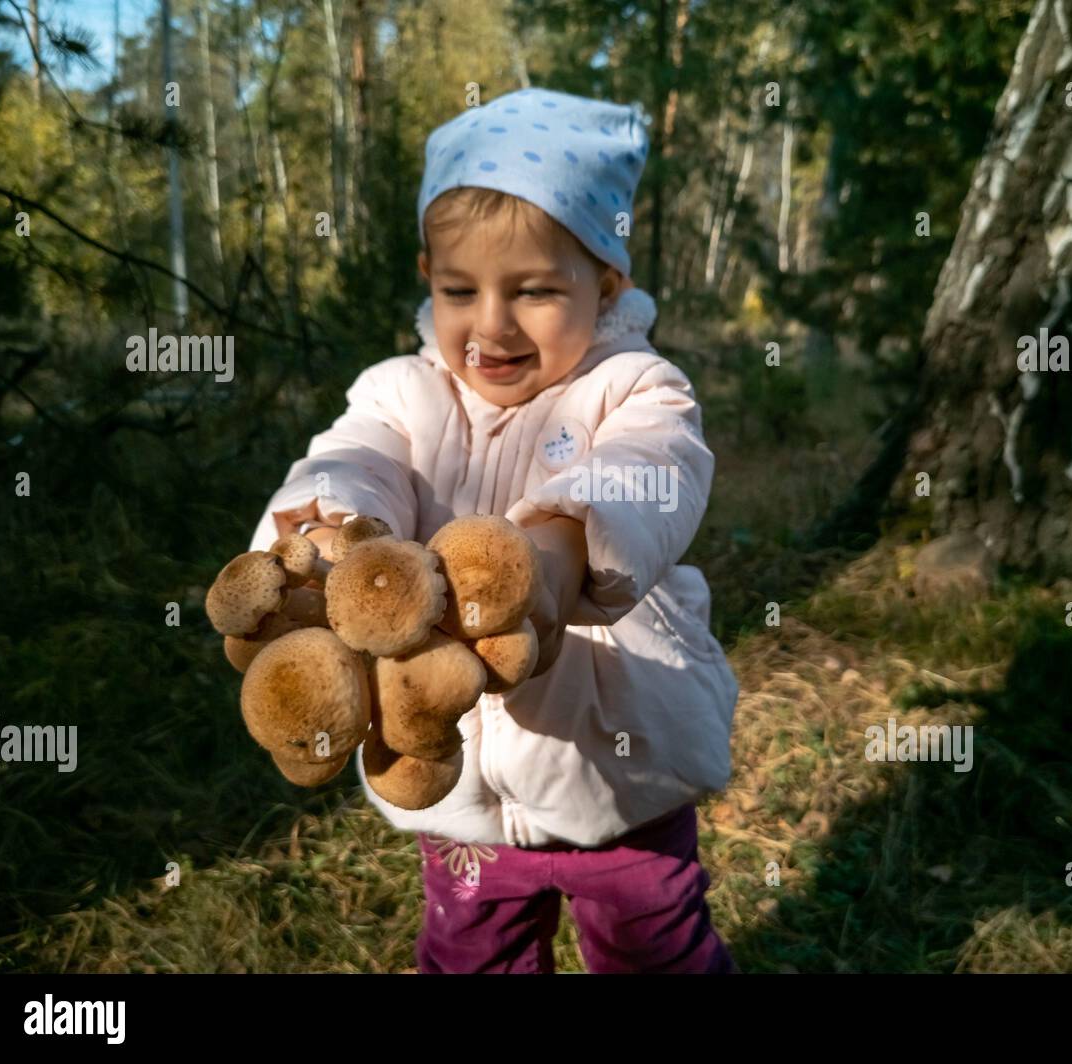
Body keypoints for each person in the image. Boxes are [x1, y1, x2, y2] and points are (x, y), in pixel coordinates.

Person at [247, 87, 738, 974]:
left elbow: (649, 469)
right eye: (459, 290)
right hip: (464, 795)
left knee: (657, 952)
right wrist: (324, 533)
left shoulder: (635, 386)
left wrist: (556, 552)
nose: (492, 325)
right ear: (427, 278)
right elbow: (356, 458)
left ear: (607, 283)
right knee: (474, 957)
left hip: (624, 774)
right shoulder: (403, 391)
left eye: (536, 290)